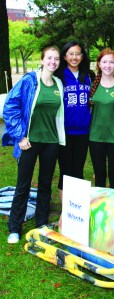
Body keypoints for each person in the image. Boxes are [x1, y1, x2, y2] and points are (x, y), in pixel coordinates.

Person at [2, 45, 65, 244]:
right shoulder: (30, 80)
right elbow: (10, 107)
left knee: (46, 184)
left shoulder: (58, 83)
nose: (53, 62)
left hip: (51, 141)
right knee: (23, 185)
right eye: (49, 58)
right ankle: (15, 227)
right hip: (29, 141)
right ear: (42, 59)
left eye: (56, 59)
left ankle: (41, 224)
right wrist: (20, 137)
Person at [55, 41, 95, 199]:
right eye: (70, 54)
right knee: (66, 171)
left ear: (82, 56)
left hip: (83, 131)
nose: (74, 57)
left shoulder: (89, 76)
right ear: (64, 56)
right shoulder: (58, 75)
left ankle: (77, 208)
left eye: (77, 53)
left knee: (78, 170)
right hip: (64, 131)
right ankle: (65, 212)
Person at [89, 48, 114, 190]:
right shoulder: (91, 87)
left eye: (111, 62)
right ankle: (99, 208)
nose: (108, 65)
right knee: (99, 176)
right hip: (95, 137)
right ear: (99, 64)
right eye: (104, 62)